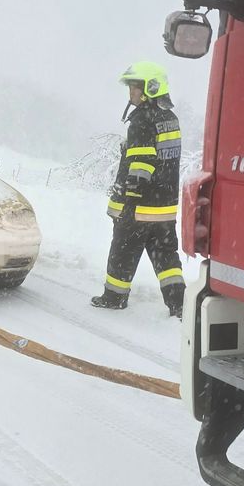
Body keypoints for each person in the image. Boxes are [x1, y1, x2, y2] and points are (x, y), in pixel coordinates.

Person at [91, 61, 186, 318]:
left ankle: (114, 297)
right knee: (166, 256)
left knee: (123, 251)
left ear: (150, 88)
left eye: (135, 86)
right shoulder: (170, 118)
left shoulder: (142, 119)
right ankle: (179, 304)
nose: (131, 92)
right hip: (164, 207)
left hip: (139, 206)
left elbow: (141, 164)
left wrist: (129, 204)